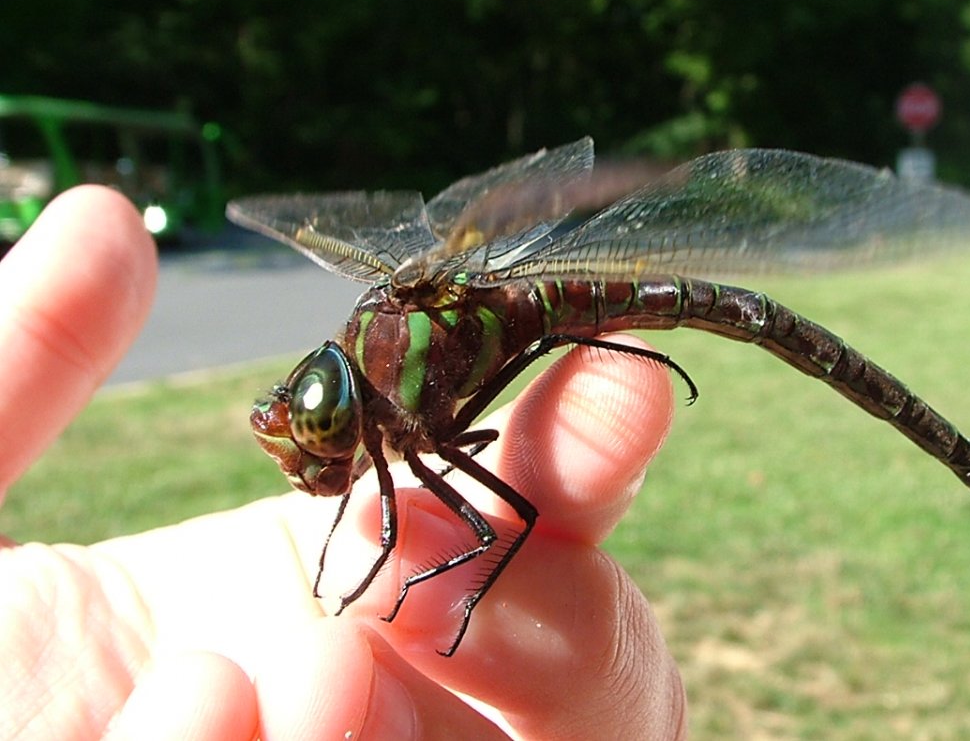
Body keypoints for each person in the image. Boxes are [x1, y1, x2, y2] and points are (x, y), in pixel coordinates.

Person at [0, 186, 687, 740]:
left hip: (570, 307)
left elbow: (482, 525)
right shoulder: (378, 401)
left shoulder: (393, 379)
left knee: (480, 527)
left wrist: (456, 598)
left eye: (323, 427)